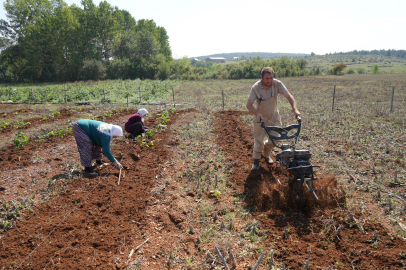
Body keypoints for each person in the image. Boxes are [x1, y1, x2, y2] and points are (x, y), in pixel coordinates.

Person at [246, 67, 301, 170]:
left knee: (275, 138)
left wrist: (295, 110)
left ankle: (266, 155)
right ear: (261, 77)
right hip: (260, 117)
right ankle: (256, 163)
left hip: (274, 116)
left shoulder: (277, 84)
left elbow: (289, 96)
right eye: (267, 78)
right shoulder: (256, 87)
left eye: (271, 78)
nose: (269, 81)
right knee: (258, 141)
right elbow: (249, 104)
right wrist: (256, 113)